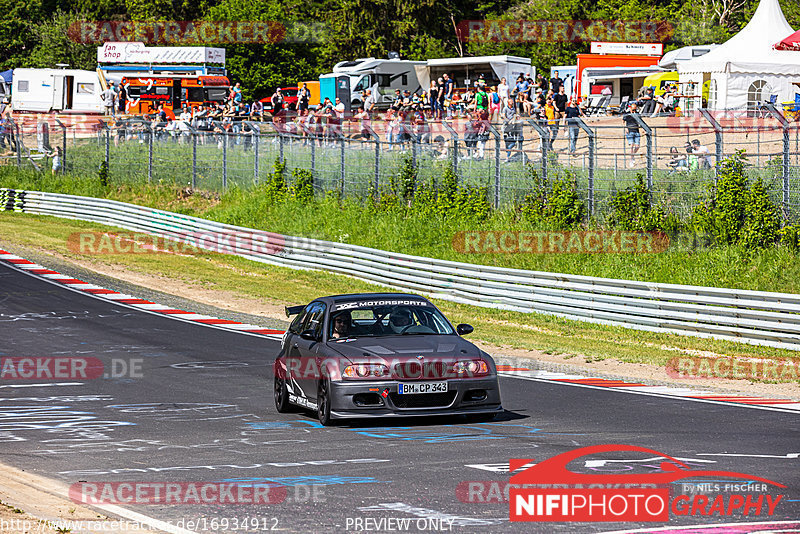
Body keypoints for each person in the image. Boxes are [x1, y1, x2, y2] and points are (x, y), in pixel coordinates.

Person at [624, 103, 641, 167]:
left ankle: (632, 155)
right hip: (630, 131)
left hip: (636, 131)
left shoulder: (637, 114)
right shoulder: (627, 114)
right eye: (633, 110)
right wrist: (625, 128)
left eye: (635, 110)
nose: (634, 111)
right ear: (630, 108)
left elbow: (640, 122)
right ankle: (631, 160)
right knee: (631, 145)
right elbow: (623, 121)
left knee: (637, 146)